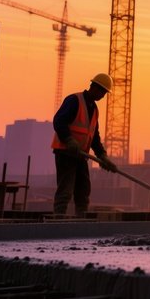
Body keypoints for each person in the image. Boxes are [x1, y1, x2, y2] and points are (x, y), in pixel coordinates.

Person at [51, 72, 118, 217]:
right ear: (93, 87)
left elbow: (93, 136)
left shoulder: (94, 109)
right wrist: (68, 139)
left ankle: (81, 217)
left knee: (83, 189)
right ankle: (58, 218)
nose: (102, 95)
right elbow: (58, 121)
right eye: (102, 91)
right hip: (65, 152)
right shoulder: (74, 100)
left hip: (80, 155)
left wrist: (102, 156)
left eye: (105, 93)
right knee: (66, 188)